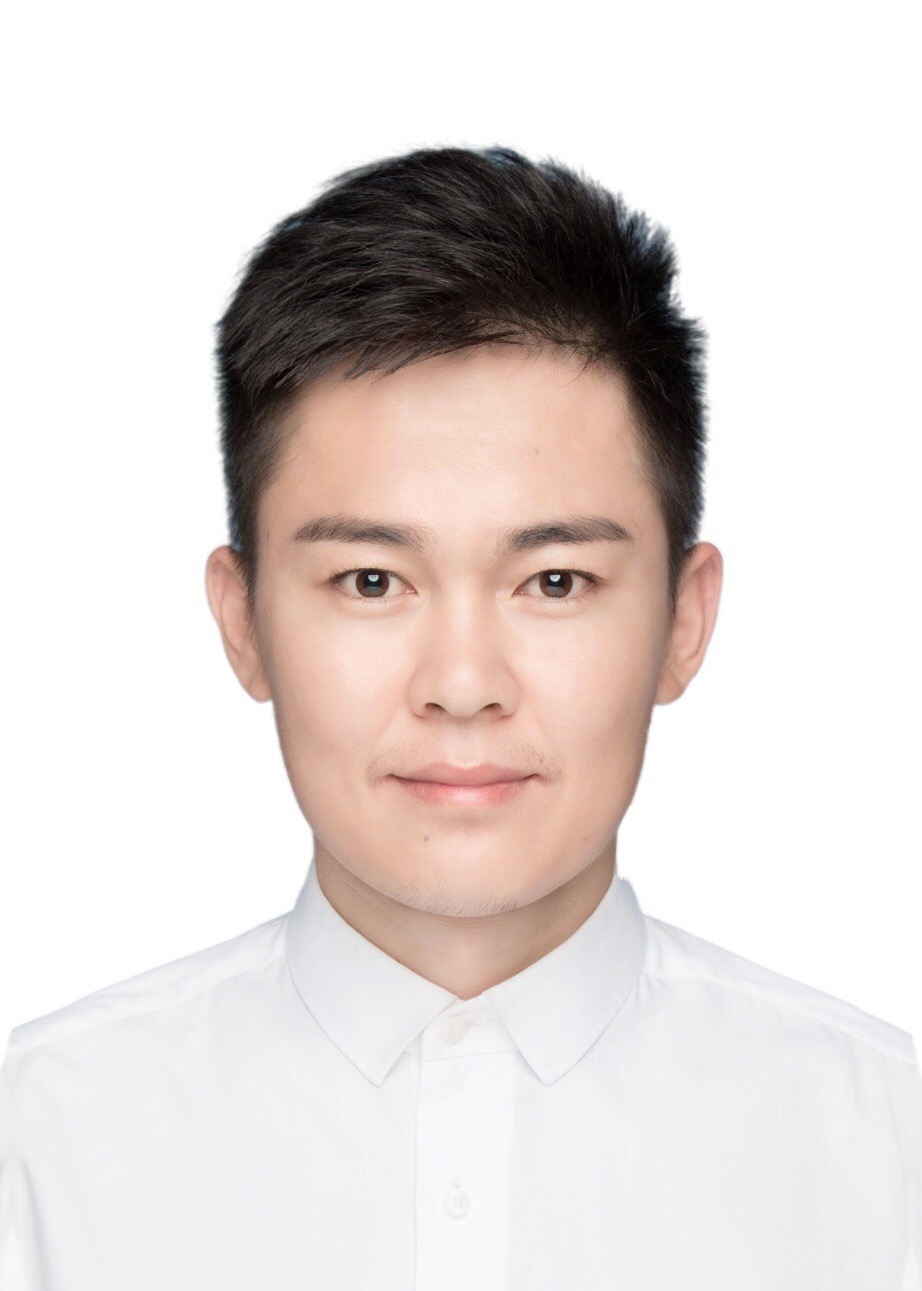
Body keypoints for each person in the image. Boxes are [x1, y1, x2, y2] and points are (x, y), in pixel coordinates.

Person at [0, 144, 918, 1290]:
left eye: (554, 581)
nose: (464, 682)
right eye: (372, 581)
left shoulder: (881, 1157)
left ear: (684, 621)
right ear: (243, 624)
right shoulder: (41, 1153)